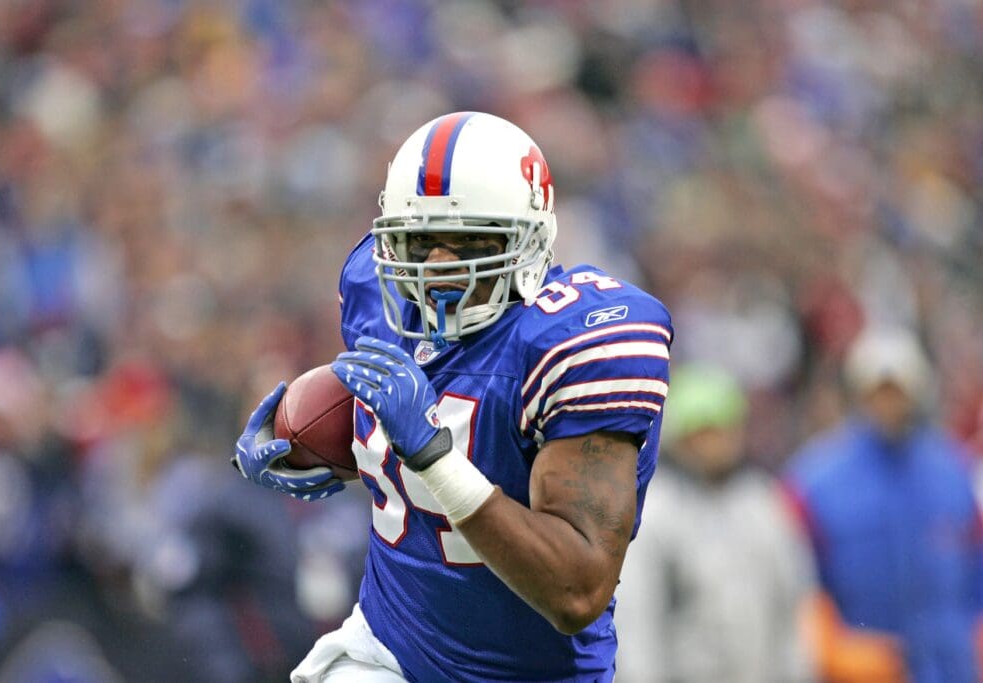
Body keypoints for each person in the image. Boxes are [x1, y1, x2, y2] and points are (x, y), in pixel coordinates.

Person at [231, 112, 673, 682]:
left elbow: (576, 590)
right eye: (419, 241)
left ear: (530, 240)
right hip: (388, 653)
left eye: (467, 241)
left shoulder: (579, 341)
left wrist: (433, 456)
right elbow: (400, 398)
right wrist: (293, 438)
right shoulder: (376, 291)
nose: (440, 264)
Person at [786, 327, 983, 683]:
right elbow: (796, 584)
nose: (889, 404)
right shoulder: (816, 480)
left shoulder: (953, 471)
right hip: (862, 669)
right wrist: (830, 648)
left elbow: (975, 567)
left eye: (898, 391)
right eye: (879, 392)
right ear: (859, 394)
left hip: (949, 668)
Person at [615, 364, 815, 683]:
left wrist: (800, 672)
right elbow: (638, 620)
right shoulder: (655, 513)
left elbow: (793, 603)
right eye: (703, 431)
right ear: (680, 436)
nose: (715, 442)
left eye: (723, 428)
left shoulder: (764, 504)